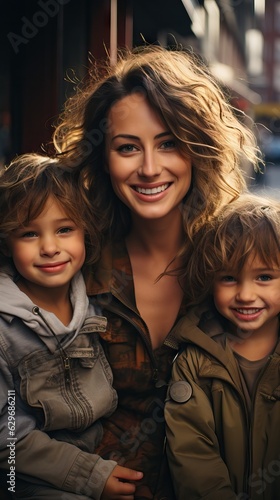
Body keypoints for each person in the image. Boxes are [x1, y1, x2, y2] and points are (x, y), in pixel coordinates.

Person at [52, 45, 261, 498]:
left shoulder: (243, 264)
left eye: (168, 143)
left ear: (198, 148)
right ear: (103, 158)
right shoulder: (70, 264)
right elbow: (16, 406)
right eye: (128, 148)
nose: (149, 169)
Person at [0, 153, 143, 500]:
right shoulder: (5, 330)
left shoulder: (99, 301)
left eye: (65, 229)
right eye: (30, 234)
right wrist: (91, 478)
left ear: (86, 233)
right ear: (7, 242)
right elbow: (8, 441)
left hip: (101, 456)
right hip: (25, 478)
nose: (50, 248)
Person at [165, 192, 280, 500]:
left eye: (264, 277)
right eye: (229, 278)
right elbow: (192, 458)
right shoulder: (193, 363)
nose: (245, 294)